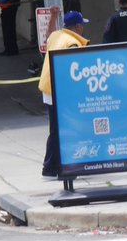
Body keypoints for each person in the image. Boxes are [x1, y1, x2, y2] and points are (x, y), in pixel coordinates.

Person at [38, 10, 89, 179]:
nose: (83, 29)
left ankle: (54, 167)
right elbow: (73, 71)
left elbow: (48, 34)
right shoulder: (72, 43)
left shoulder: (57, 36)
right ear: (77, 26)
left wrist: (52, 17)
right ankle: (55, 168)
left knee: (57, 129)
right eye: (82, 25)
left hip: (49, 89)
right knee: (63, 130)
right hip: (61, 92)